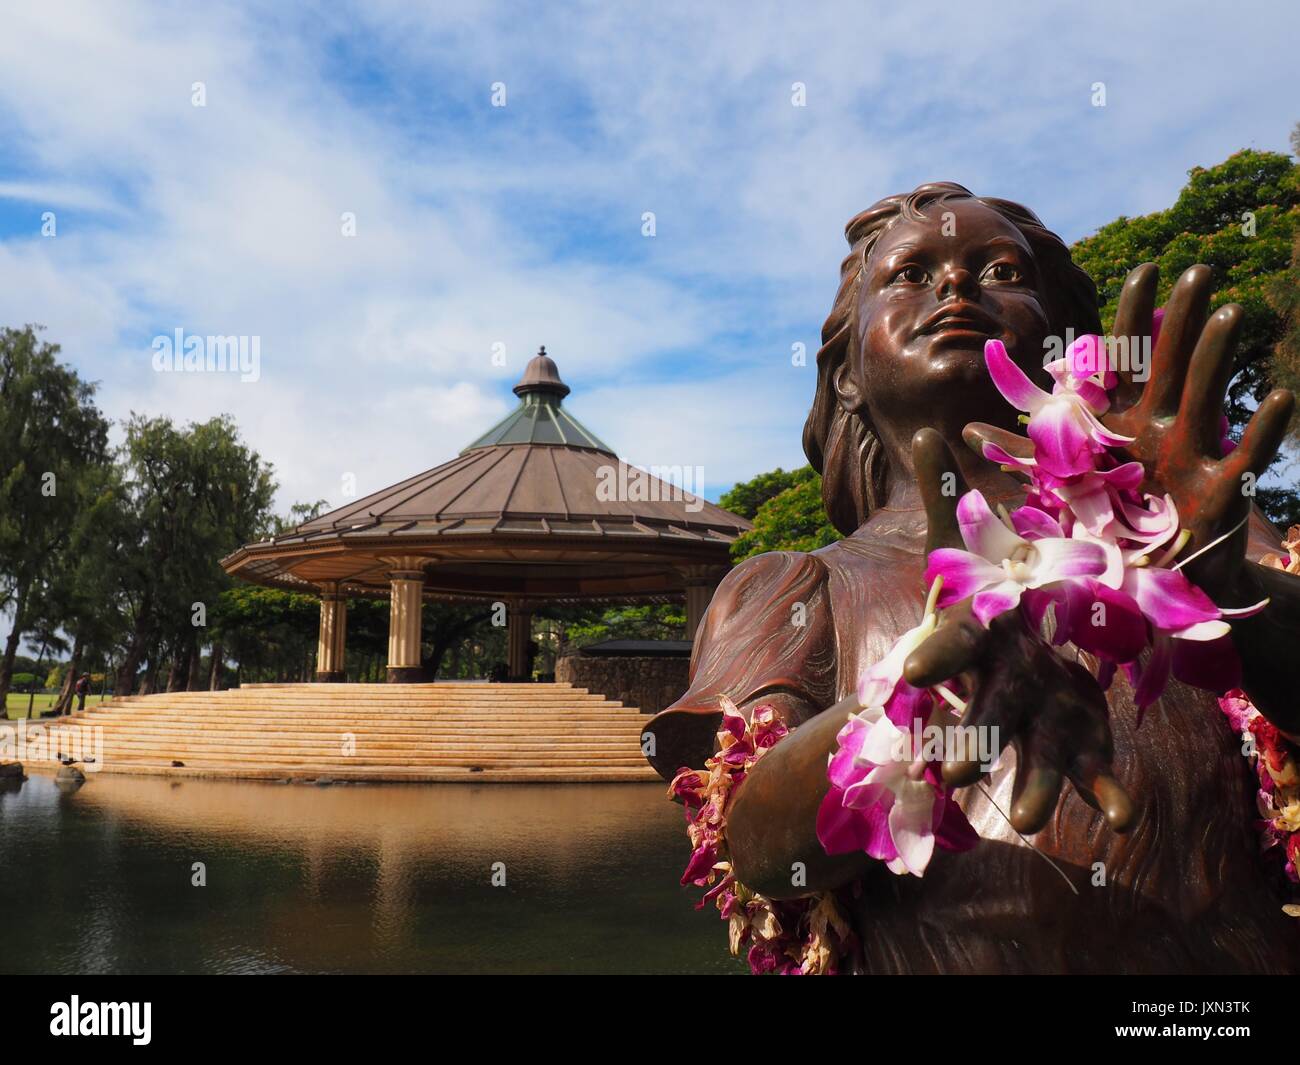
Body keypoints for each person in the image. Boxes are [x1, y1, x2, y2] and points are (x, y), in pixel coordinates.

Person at [646, 182, 1300, 974]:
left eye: (999, 271)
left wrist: (1231, 595)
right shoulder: (797, 587)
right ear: (848, 374)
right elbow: (755, 845)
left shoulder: (1181, 527)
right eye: (909, 276)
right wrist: (919, 693)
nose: (956, 286)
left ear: (1059, 345)